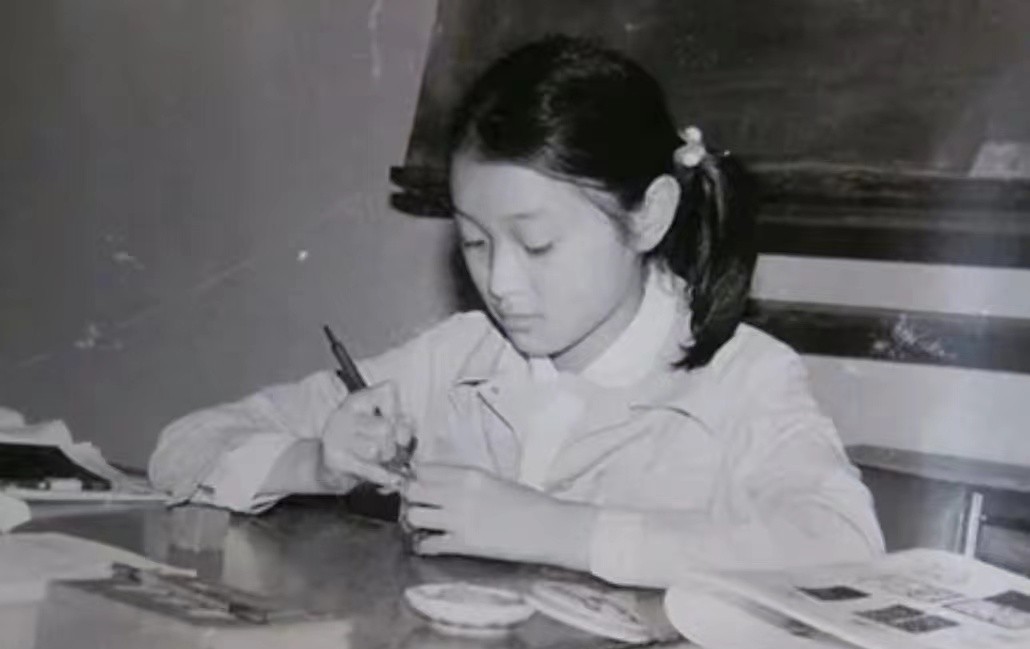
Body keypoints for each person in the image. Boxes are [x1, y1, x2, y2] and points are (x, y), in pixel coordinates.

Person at [150, 36, 884, 588]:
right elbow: (182, 447)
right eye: (475, 241)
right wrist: (316, 461)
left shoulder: (745, 378)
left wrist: (559, 531)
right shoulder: (458, 357)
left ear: (649, 216)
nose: (500, 283)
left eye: (537, 244)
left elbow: (845, 548)